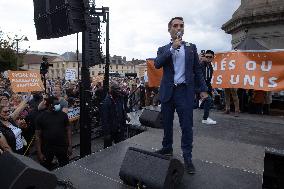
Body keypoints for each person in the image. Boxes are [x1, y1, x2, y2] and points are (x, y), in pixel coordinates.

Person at [154, 17, 208, 174]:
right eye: (175, 25)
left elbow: (197, 70)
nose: (179, 28)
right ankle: (167, 148)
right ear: (169, 29)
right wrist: (172, 49)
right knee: (167, 123)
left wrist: (203, 89)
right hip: (168, 92)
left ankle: (188, 157)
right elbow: (157, 64)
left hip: (184, 92)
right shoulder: (163, 48)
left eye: (181, 25)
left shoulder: (191, 47)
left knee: (186, 126)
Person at [35, 96, 72, 170]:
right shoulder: (40, 117)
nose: (58, 106)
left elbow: (68, 130)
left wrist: (70, 145)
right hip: (47, 148)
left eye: (58, 104)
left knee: (65, 166)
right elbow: (37, 136)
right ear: (49, 105)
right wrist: (39, 152)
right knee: (45, 168)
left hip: (62, 146)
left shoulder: (63, 115)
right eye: (56, 104)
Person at [101, 82, 128, 148]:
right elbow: (105, 119)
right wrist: (106, 133)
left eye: (119, 89)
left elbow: (122, 109)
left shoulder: (120, 98)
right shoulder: (106, 102)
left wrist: (125, 116)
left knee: (120, 147)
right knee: (107, 149)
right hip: (110, 129)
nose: (119, 91)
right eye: (117, 89)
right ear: (112, 91)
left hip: (119, 128)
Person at [200, 50, 217, 125]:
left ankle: (205, 117)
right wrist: (201, 90)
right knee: (208, 100)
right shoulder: (201, 64)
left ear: (213, 58)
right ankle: (205, 118)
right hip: (198, 86)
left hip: (205, 86)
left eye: (210, 57)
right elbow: (199, 78)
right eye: (207, 56)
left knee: (209, 100)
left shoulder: (210, 67)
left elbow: (208, 80)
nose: (208, 58)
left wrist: (211, 90)